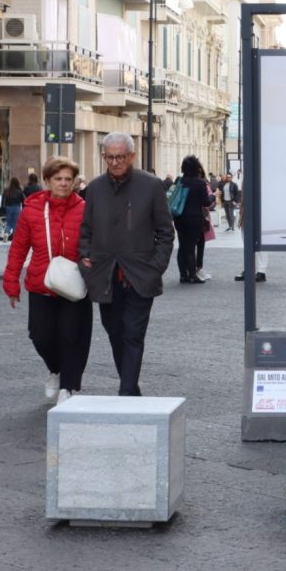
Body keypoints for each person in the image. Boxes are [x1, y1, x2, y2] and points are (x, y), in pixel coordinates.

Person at [79, 132, 174, 397]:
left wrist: (156, 266)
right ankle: (130, 386)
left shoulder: (151, 185)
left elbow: (165, 231)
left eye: (120, 156)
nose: (115, 162)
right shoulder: (95, 189)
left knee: (133, 333)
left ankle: (127, 391)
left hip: (140, 275)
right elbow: (85, 230)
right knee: (114, 332)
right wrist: (85, 257)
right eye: (110, 157)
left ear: (132, 156)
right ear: (103, 157)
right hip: (105, 275)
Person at [3, 157, 92, 405]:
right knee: (40, 336)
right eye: (58, 179)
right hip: (42, 285)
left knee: (73, 336)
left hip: (75, 286)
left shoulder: (85, 209)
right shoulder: (32, 210)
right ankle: (55, 369)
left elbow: (96, 244)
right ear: (47, 181)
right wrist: (11, 282)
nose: (63, 184)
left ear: (74, 182)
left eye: (68, 179)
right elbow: (18, 249)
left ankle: (69, 387)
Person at [172, 155, 211, 284]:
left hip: (179, 217)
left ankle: (183, 274)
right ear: (196, 168)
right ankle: (193, 275)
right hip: (194, 219)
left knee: (182, 245)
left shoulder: (179, 180)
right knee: (190, 246)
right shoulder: (200, 183)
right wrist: (213, 198)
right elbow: (205, 202)